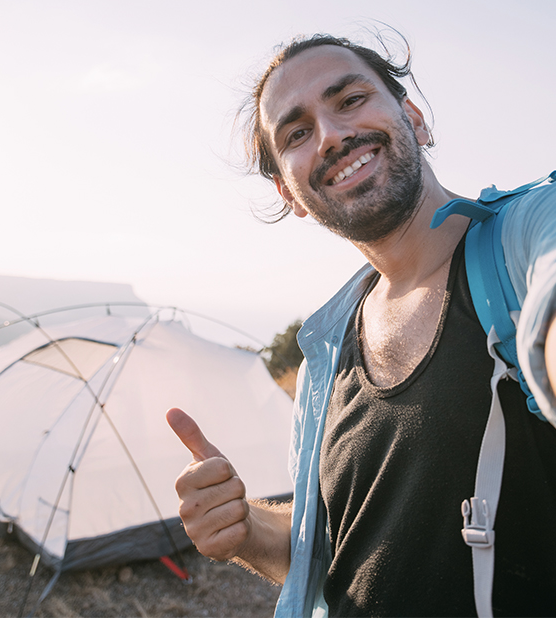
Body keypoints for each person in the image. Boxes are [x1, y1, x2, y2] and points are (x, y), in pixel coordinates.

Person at [166, 33, 556, 617]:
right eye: (297, 133)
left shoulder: (524, 239)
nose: (331, 135)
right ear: (288, 192)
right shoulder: (325, 351)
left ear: (414, 118)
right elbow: (333, 552)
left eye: (349, 100)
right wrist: (246, 529)